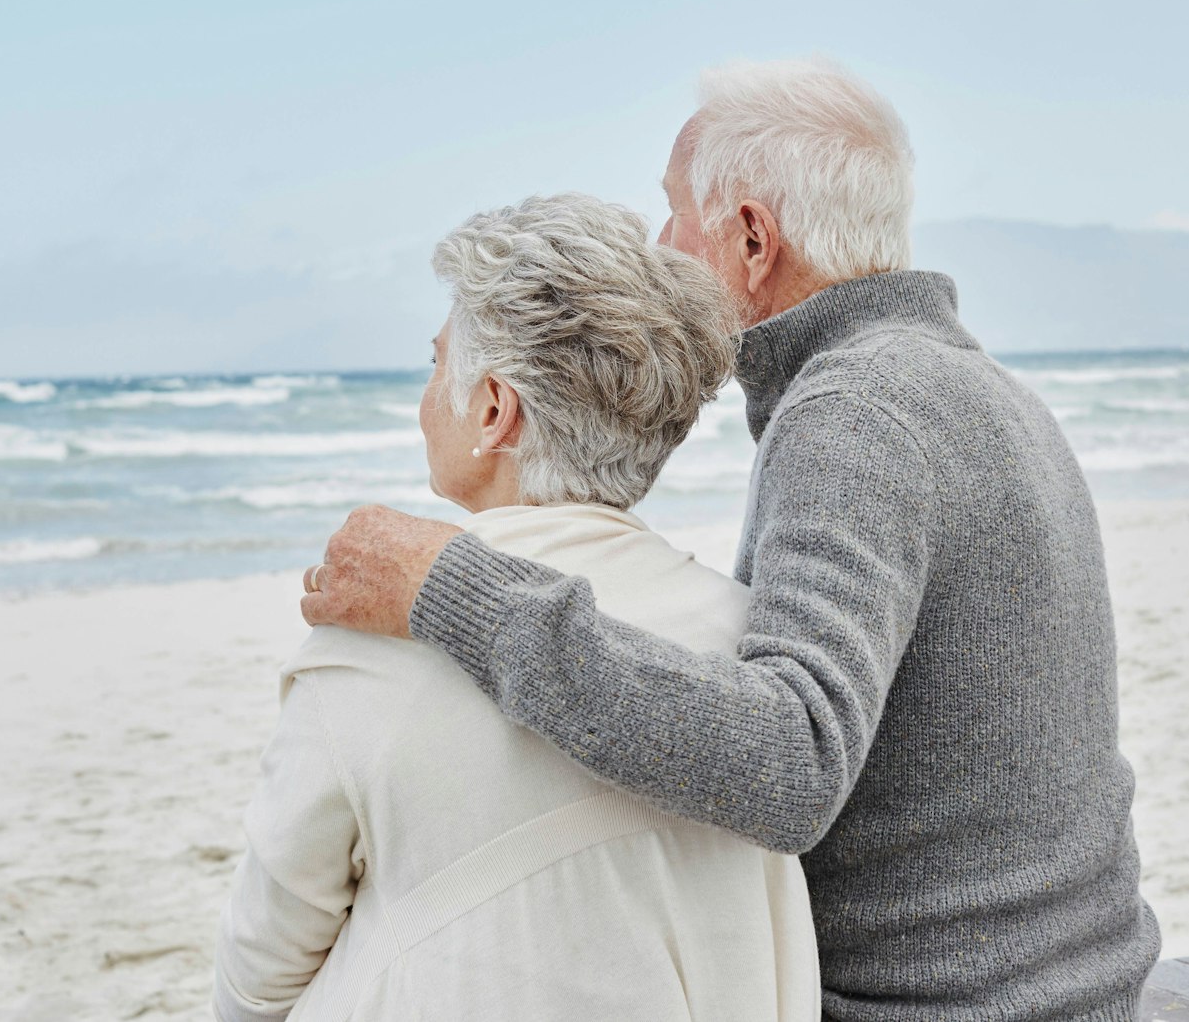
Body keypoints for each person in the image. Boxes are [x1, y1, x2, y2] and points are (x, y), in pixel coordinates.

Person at [299, 59, 1163, 1021]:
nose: (660, 246)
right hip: (1080, 985)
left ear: (751, 237)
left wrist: (445, 585)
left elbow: (791, 763)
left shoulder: (854, 412)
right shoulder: (986, 390)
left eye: (672, 214)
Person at [214, 194, 821, 1021]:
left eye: (437, 365)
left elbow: (256, 981)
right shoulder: (750, 643)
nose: (424, 395)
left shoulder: (368, 656)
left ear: (495, 410)